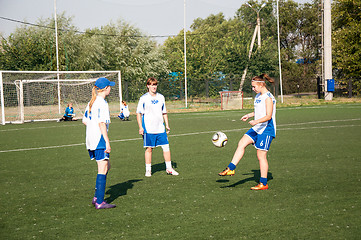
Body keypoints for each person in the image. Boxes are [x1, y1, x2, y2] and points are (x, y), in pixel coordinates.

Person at [218, 73, 276, 190]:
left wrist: (256, 121)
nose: (252, 89)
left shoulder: (268, 98)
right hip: (257, 127)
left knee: (261, 156)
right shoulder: (258, 96)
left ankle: (263, 183)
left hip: (266, 129)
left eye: (254, 86)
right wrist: (249, 115)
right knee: (242, 143)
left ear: (261, 85)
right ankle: (231, 168)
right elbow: (259, 112)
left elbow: (268, 116)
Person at [82, 77, 116, 209]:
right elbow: (101, 123)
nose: (110, 88)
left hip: (91, 139)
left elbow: (85, 121)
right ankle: (99, 201)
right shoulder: (102, 103)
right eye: (109, 86)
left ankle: (97, 195)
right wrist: (107, 141)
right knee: (102, 168)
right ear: (106, 88)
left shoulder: (92, 101)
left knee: (107, 165)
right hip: (99, 140)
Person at [136, 77, 179, 177]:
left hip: (160, 127)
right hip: (148, 128)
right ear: (148, 86)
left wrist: (167, 124)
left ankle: (169, 168)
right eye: (152, 85)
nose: (154, 87)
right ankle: (148, 170)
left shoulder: (161, 97)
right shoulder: (143, 98)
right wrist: (140, 127)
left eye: (155, 85)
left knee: (166, 147)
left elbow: (164, 112)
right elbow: (138, 113)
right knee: (149, 148)